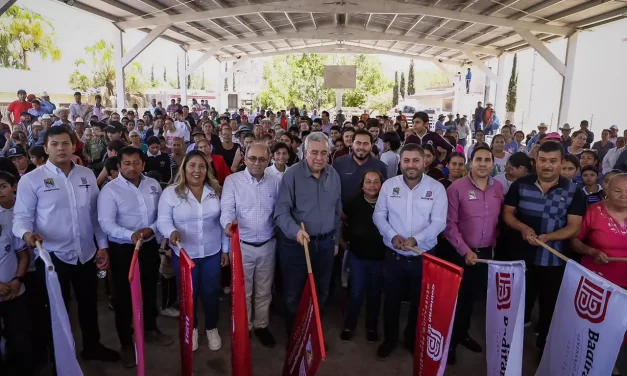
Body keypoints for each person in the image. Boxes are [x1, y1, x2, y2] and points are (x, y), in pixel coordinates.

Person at [12, 126, 119, 364]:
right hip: (52, 257)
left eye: (65, 144)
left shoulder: (86, 175)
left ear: (74, 146)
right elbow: (20, 219)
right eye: (55, 144)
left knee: (89, 304)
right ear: (46, 147)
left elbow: (95, 215)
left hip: (85, 253)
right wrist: (27, 234)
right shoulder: (32, 180)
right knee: (56, 310)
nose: (61, 148)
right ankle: (60, 357)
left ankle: (92, 347)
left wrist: (102, 246)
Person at [502, 141, 586, 356]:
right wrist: (522, 227)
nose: (547, 166)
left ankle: (543, 348)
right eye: (542, 160)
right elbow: (508, 214)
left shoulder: (574, 191)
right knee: (520, 303)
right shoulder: (520, 184)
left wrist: (550, 237)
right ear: (535, 161)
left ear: (562, 163)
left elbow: (574, 227)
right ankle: (512, 347)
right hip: (522, 259)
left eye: (553, 161)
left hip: (554, 261)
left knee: (550, 307)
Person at [97, 147, 172, 367]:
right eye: (127, 163)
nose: (132, 167)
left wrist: (151, 229)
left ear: (143, 164)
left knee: (149, 289)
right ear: (118, 166)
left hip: (148, 246)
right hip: (124, 249)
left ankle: (150, 328)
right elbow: (106, 223)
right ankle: (126, 342)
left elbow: (162, 215)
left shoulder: (153, 185)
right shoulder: (109, 190)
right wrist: (130, 235)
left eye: (136, 162)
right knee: (123, 297)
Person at [373, 142, 448, 361]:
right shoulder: (389, 185)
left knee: (420, 303)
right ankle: (390, 339)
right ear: (400, 162)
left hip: (423, 257)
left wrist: (416, 239)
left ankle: (412, 339)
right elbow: (379, 215)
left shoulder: (436, 188)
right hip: (393, 256)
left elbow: (439, 222)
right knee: (391, 301)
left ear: (424, 161)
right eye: (406, 160)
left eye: (416, 160)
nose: (411, 165)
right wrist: (392, 235)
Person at [157, 150, 230, 352]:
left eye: (201, 166)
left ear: (207, 170)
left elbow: (223, 222)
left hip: (212, 252)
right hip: (184, 254)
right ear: (184, 168)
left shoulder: (216, 191)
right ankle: (193, 327)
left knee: (211, 292)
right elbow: (163, 220)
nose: (197, 170)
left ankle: (211, 327)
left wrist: (225, 250)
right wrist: (171, 231)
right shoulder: (171, 193)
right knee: (188, 295)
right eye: (192, 165)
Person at [274, 132, 341, 335]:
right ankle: (296, 338)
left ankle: (313, 335)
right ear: (304, 153)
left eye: (323, 153)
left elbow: (337, 210)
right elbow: (281, 212)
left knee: (321, 292)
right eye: (314, 153)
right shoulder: (292, 175)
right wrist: (296, 232)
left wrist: (336, 239)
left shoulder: (333, 175)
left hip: (326, 244)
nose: (319, 158)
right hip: (296, 245)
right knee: (293, 294)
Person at [445, 145, 504, 365]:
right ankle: (448, 343)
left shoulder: (498, 188)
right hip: (460, 253)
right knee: (454, 301)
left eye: (487, 160)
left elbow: (498, 222)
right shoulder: (456, 188)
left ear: (492, 163)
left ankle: (462, 334)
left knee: (470, 299)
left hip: (485, 255)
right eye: (478, 159)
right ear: (470, 162)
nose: (482, 163)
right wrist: (465, 250)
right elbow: (449, 225)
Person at [221, 143, 281, 348]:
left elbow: (279, 212)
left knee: (264, 290)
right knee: (242, 291)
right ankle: (244, 326)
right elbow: (227, 210)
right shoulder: (232, 181)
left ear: (268, 160)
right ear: (244, 158)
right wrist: (228, 225)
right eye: (253, 158)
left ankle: (261, 325)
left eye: (262, 159)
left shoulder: (275, 182)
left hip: (267, 244)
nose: (257, 163)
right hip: (242, 245)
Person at [572, 173, 627, 375]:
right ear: (607, 191)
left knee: (622, 327)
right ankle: (596, 362)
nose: (623, 195)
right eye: (618, 190)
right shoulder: (593, 212)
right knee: (600, 326)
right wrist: (592, 252)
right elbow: (574, 241)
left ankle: (613, 358)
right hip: (599, 282)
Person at [340, 170, 386, 343]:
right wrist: (343, 240)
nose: (372, 185)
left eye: (376, 182)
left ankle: (371, 326)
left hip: (380, 257)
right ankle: (350, 324)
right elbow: (343, 218)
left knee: (375, 293)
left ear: (382, 184)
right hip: (357, 255)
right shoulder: (353, 202)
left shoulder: (387, 202)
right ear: (362, 185)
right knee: (356, 292)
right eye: (368, 181)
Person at [0, 170, 34, 375]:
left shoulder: (5, 227)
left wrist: (16, 281)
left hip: (15, 289)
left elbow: (22, 254)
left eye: (3, 186)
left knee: (21, 334)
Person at [333, 129, 387, 207]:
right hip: (342, 214)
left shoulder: (380, 166)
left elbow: (384, 194)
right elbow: (332, 189)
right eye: (358, 143)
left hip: (371, 214)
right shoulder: (339, 163)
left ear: (371, 146)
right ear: (352, 144)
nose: (361, 147)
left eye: (365, 144)